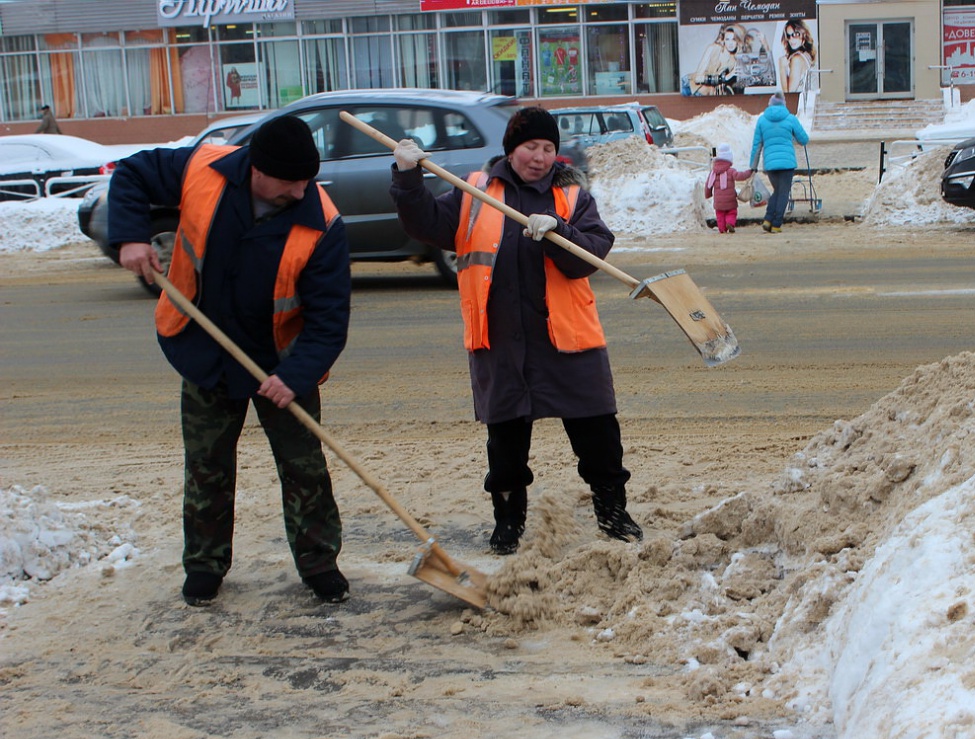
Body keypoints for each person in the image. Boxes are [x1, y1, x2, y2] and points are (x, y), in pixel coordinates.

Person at [109, 115, 353, 607]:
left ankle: (320, 563)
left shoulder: (321, 224)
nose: (301, 189)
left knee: (304, 467)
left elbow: (329, 320)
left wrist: (294, 376)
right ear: (258, 169)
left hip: (281, 360)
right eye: (291, 180)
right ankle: (204, 565)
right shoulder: (204, 168)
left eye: (308, 178)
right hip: (204, 349)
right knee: (207, 466)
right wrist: (131, 236)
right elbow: (132, 172)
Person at [389, 107, 643, 555]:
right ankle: (508, 521)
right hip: (502, 341)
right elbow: (425, 224)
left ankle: (613, 510)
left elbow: (594, 253)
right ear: (511, 150)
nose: (540, 157)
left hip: (568, 341)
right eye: (531, 147)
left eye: (548, 148)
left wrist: (561, 231)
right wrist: (407, 178)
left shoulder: (572, 196)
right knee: (505, 446)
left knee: (599, 438)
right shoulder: (475, 193)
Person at [749, 92, 809, 234]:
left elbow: (756, 145)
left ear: (770, 104)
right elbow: (804, 139)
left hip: (770, 164)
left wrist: (753, 166)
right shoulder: (790, 119)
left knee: (777, 191)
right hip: (787, 163)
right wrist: (792, 138)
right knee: (783, 193)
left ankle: (768, 219)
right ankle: (776, 224)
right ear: (783, 103)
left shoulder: (762, 121)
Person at [704, 144, 752, 233]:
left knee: (720, 215)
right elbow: (740, 176)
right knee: (731, 212)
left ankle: (722, 229)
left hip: (718, 201)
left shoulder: (713, 173)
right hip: (730, 200)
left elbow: (708, 185)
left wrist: (707, 194)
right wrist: (749, 172)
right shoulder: (731, 171)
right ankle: (730, 223)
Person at [686, 23, 744, 96]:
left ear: (738, 41)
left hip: (708, 96)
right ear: (723, 40)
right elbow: (698, 78)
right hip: (689, 87)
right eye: (727, 39)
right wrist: (725, 78)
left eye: (734, 39)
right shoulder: (713, 48)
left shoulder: (736, 59)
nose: (730, 43)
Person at [778, 19, 815, 93]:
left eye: (795, 34)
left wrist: (782, 68)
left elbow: (789, 93)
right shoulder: (806, 55)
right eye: (788, 36)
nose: (791, 39)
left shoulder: (797, 59)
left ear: (803, 34)